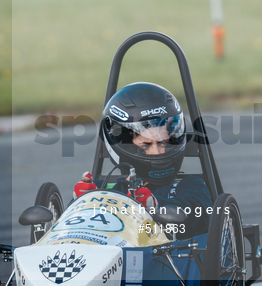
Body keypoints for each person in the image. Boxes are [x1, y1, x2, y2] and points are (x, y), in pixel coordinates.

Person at [74, 82, 213, 235]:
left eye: (163, 143)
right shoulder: (102, 190)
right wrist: (81, 204)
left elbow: (199, 213)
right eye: (146, 145)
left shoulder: (189, 186)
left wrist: (155, 206)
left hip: (167, 257)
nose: (157, 152)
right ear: (125, 146)